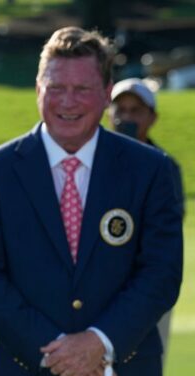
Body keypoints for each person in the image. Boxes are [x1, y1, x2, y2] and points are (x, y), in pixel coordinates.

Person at [0, 27, 182, 376]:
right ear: (37, 88)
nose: (67, 101)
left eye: (82, 88)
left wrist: (100, 342)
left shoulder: (150, 169)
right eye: (56, 87)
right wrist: (59, 353)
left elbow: (161, 273)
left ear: (107, 91)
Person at [108, 77, 185, 361]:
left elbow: (165, 238)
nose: (126, 116)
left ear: (152, 118)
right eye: (120, 109)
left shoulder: (165, 168)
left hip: (148, 290)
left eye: (135, 110)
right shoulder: (91, 162)